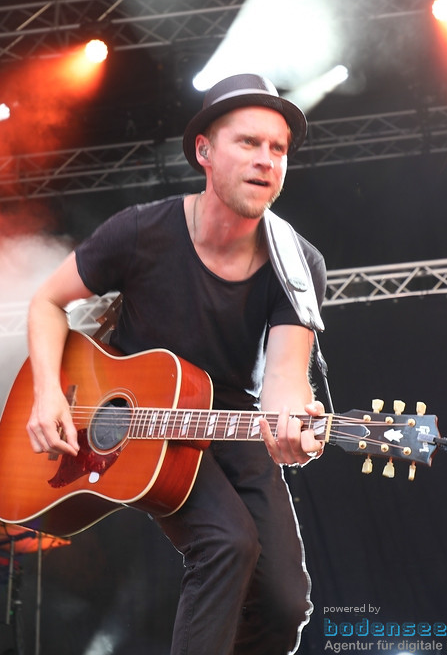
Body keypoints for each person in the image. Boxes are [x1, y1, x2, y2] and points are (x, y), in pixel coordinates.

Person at [24, 73, 327, 654]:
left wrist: (296, 424)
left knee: (287, 603)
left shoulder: (297, 262)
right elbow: (46, 301)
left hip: (228, 419)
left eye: (279, 148)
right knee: (226, 543)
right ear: (204, 152)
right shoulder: (140, 232)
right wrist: (48, 394)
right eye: (248, 142)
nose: (267, 160)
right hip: (135, 419)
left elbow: (286, 379)